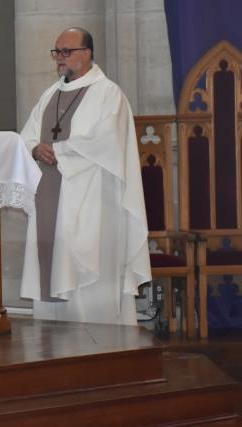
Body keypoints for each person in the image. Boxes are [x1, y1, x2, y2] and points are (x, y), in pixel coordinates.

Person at [19, 27, 150, 324]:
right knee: (51, 264)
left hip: (93, 201)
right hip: (50, 193)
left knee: (89, 276)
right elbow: (26, 136)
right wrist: (37, 149)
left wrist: (60, 152)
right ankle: (52, 338)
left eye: (67, 52)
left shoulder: (109, 94)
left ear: (87, 53)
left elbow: (107, 143)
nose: (60, 59)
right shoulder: (50, 94)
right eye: (57, 52)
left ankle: (99, 339)